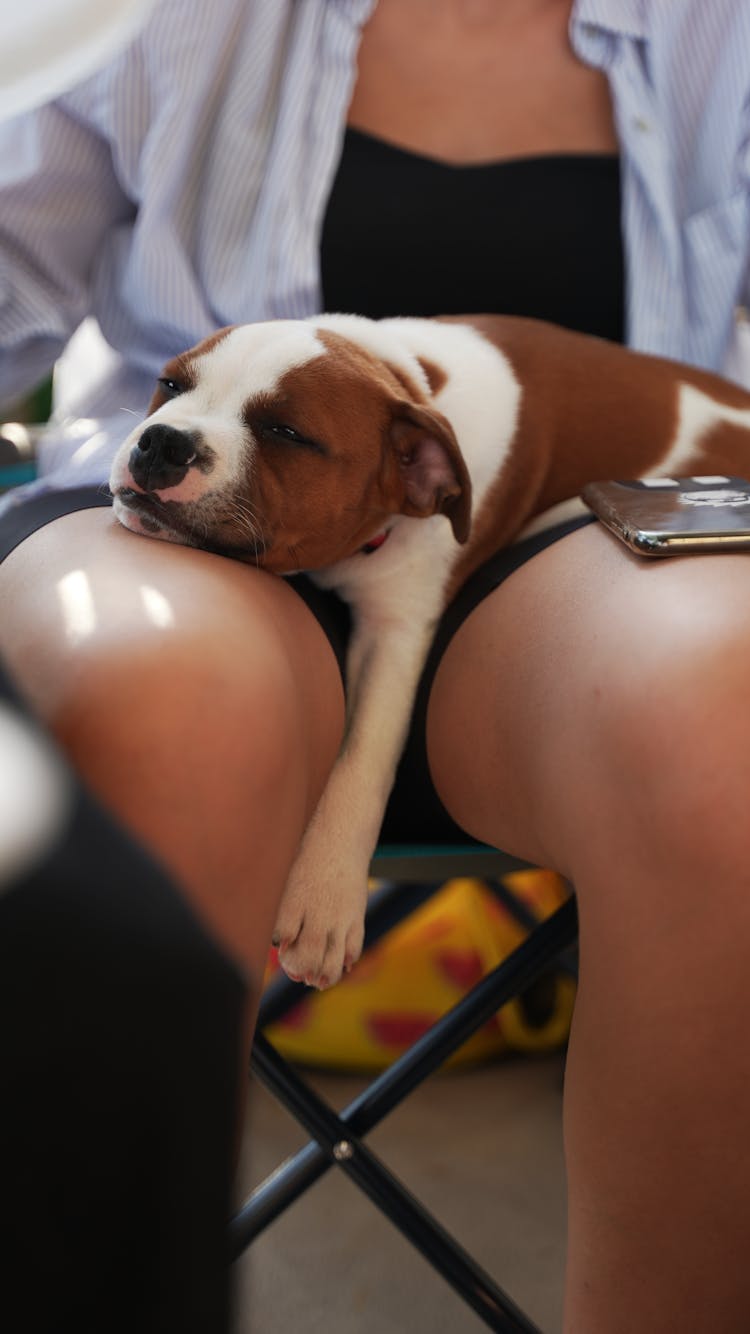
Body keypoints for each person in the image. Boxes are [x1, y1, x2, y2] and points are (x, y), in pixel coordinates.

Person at [1, 1, 749, 1328]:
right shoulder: (147, 14)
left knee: (721, 714)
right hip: (186, 561)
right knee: (167, 695)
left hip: (572, 574)